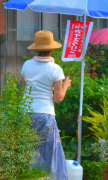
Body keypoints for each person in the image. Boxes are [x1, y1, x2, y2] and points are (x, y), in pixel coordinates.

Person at [21, 30, 72, 180]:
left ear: (36, 49)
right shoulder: (55, 69)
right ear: (52, 49)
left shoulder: (26, 65)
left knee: (29, 151)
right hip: (45, 114)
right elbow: (58, 98)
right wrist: (66, 85)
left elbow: (24, 89)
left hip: (26, 112)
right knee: (51, 152)